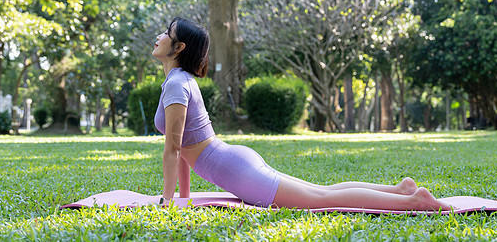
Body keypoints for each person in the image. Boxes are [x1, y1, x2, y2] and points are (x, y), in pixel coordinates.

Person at [152, 17, 451, 211]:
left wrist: (168, 202)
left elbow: (175, 148)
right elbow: (181, 147)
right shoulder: (179, 81)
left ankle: (415, 202)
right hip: (232, 161)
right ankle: (399, 190)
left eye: (167, 33)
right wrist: (183, 197)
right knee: (321, 192)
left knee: (321, 201)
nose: (159, 36)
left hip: (233, 169)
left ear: (178, 47)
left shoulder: (177, 84)